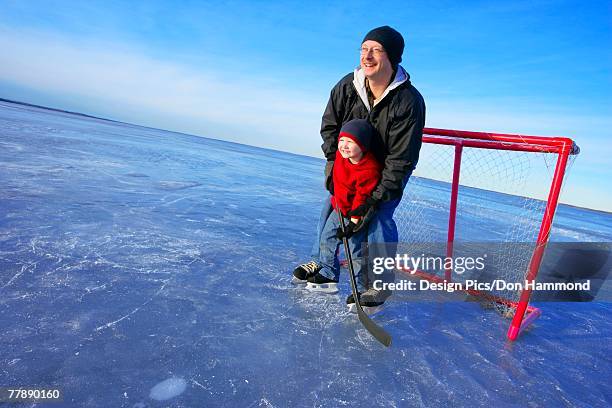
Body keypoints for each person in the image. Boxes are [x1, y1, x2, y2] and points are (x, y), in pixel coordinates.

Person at [294, 25, 426, 310]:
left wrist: (374, 198)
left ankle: (374, 288)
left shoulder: (409, 100)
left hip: (385, 175)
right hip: (346, 168)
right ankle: (326, 268)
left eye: (376, 50)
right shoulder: (347, 86)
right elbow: (330, 126)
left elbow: (402, 157)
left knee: (376, 220)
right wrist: (336, 164)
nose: (367, 56)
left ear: (392, 57)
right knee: (332, 210)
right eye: (364, 49)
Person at [292, 119, 381, 295]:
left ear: (362, 145)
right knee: (327, 238)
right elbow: (336, 175)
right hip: (339, 207)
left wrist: (353, 222)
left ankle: (361, 289)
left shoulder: (369, 169)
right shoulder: (341, 157)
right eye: (342, 140)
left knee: (354, 250)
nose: (344, 146)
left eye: (350, 142)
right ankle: (328, 274)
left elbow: (363, 197)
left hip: (356, 213)